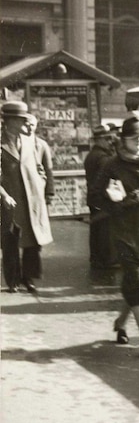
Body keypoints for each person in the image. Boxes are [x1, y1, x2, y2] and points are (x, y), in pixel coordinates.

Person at [94, 114, 139, 360]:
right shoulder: (112, 165)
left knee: (136, 283)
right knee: (138, 281)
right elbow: (95, 199)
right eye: (135, 138)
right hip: (123, 232)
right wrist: (124, 203)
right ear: (123, 141)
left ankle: (121, 322)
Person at [0, 101, 53, 293]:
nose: (25, 123)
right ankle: (13, 280)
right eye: (21, 119)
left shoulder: (29, 141)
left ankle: (29, 278)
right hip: (10, 200)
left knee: (32, 240)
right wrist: (4, 195)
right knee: (10, 240)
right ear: (9, 121)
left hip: (32, 199)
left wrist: (41, 182)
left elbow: (39, 167)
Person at [84, 122, 118, 269]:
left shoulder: (91, 155)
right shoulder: (104, 158)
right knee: (104, 230)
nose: (110, 142)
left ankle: (96, 257)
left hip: (93, 197)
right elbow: (106, 181)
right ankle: (106, 259)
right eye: (108, 139)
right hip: (102, 198)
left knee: (95, 228)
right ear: (101, 140)